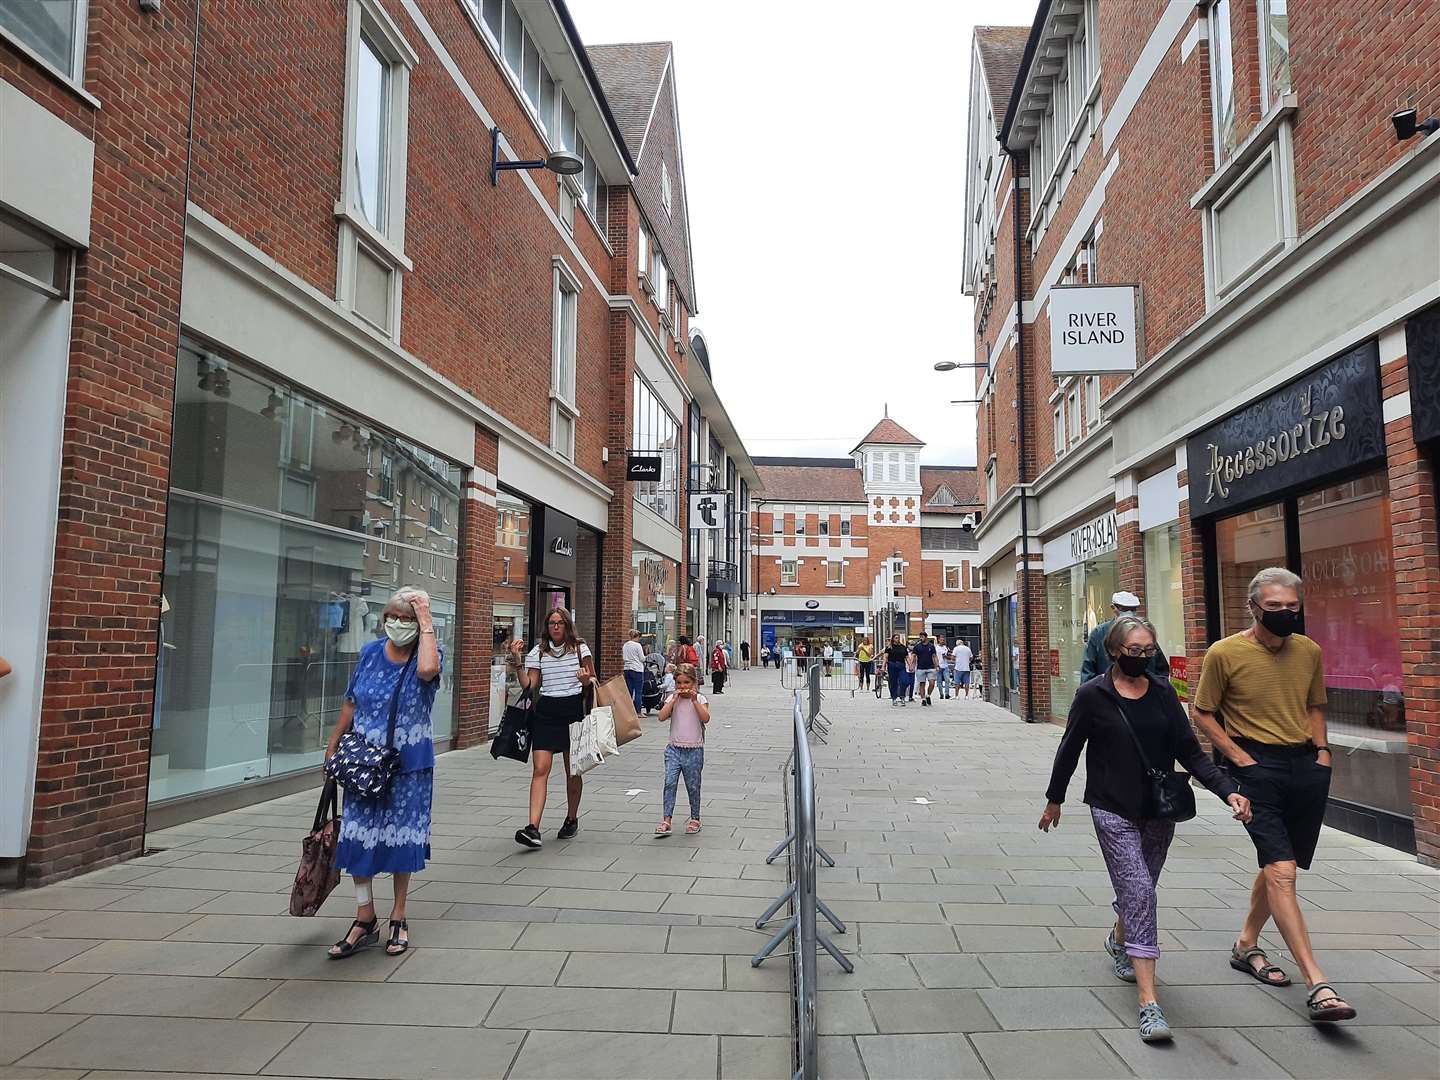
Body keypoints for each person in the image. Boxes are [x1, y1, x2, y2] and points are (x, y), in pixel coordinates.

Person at [1040, 614, 1252, 1043]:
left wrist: (1228, 790)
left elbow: (1190, 752)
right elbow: (1069, 750)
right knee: (1140, 892)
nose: (1141, 657)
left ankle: (1119, 939)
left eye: (1148, 650)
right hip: (1111, 807)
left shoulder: (1162, 694)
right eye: (1133, 651)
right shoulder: (1092, 695)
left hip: (1159, 809)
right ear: (1114, 651)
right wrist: (1054, 800)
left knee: (1143, 888)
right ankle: (1149, 1002)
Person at [1192, 567, 1357, 1024]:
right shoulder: (1224, 653)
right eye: (1274, 607)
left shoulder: (1308, 651)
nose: (1285, 614)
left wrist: (1323, 751)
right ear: (1253, 607)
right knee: (1283, 870)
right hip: (1257, 768)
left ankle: (1246, 945)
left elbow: (1313, 705)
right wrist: (1236, 757)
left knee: (1279, 863)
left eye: (1292, 607)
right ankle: (1317, 983)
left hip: (1305, 766)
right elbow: (1201, 712)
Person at [326, 586, 442, 959]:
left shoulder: (428, 653)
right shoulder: (370, 653)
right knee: (358, 836)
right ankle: (364, 917)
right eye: (393, 616)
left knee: (400, 840)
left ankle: (399, 915)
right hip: (364, 763)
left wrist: (425, 619)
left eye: (406, 618)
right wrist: (334, 743)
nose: (398, 624)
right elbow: (351, 700)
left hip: (408, 766)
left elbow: (427, 670)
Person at [509, 608, 595, 850]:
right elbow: (531, 686)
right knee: (540, 769)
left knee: (573, 771)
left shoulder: (580, 649)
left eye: (560, 623)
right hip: (546, 712)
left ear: (567, 626)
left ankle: (571, 818)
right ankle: (533, 828)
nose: (555, 627)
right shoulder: (538, 651)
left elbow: (593, 679)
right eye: (551, 624)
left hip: (573, 712)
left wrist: (584, 680)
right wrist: (518, 663)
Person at [655, 663, 709, 836]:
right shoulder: (673, 698)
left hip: (694, 750)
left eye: (686, 683)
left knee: (693, 786)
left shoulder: (700, 699)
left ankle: (695, 818)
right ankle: (666, 819)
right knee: (669, 783)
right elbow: (662, 717)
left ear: (694, 683)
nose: (682, 687)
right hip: (673, 749)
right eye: (679, 683)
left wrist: (694, 700)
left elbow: (706, 718)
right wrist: (673, 700)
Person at [1081, 592, 1170, 683]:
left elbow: (1162, 669)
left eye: (1132, 609)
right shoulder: (1099, 633)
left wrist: (1157, 689)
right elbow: (1088, 671)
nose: (1129, 612)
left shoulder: (1144, 632)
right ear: (1113, 608)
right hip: (1107, 693)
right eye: (1124, 609)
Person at [622, 629, 647, 717]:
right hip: (637, 669)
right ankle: (638, 712)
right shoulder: (637, 645)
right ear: (637, 636)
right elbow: (642, 658)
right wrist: (646, 656)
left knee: (629, 691)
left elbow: (624, 658)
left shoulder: (625, 645)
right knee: (638, 692)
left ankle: (628, 711)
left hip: (627, 669)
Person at [911, 631, 938, 706]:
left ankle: (928, 695)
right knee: (922, 684)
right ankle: (923, 699)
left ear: (926, 637)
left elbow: (934, 656)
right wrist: (911, 665)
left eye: (922, 637)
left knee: (932, 683)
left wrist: (937, 665)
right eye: (920, 637)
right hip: (920, 667)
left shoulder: (931, 646)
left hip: (930, 667)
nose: (921, 638)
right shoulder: (917, 647)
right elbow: (914, 656)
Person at [883, 634, 909, 708]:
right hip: (892, 665)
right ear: (893, 639)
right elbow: (885, 657)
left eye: (898, 638)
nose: (897, 639)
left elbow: (906, 657)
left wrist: (909, 665)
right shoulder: (889, 647)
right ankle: (894, 698)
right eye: (896, 638)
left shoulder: (903, 647)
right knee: (893, 682)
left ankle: (902, 695)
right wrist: (883, 666)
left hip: (901, 665)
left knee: (905, 681)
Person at [935, 635, 951, 699]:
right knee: (939, 681)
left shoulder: (945, 647)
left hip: (945, 665)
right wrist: (935, 665)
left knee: (947, 680)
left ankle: (947, 694)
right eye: (941, 640)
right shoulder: (936, 648)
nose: (942, 641)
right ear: (938, 640)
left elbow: (948, 656)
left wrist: (946, 656)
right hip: (939, 665)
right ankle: (941, 694)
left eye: (943, 640)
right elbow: (934, 656)